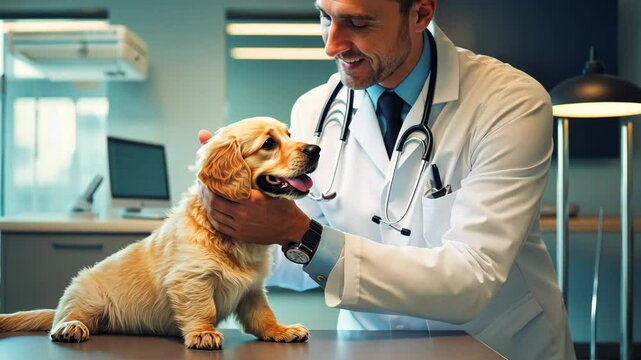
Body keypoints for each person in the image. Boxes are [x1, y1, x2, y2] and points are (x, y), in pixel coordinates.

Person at [199, 0, 576, 358]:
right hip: (369, 344)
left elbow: (472, 278)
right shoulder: (314, 110)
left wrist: (303, 235)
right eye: (325, 16)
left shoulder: (510, 103)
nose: (332, 45)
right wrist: (234, 220)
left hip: (493, 344)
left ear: (420, 13)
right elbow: (296, 255)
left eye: (358, 23)